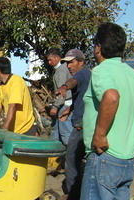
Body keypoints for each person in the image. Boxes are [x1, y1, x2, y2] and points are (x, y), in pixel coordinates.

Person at [81, 22, 134, 200]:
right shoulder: (130, 73)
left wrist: (100, 134)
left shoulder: (101, 71)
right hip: (127, 162)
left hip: (104, 156)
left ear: (98, 47)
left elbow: (111, 96)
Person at [56, 49, 91, 200]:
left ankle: (74, 194)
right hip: (84, 122)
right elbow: (84, 98)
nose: (69, 66)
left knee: (71, 159)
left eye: (72, 62)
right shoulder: (88, 75)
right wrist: (69, 109)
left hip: (82, 126)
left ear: (81, 62)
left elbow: (72, 82)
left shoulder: (82, 74)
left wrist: (64, 87)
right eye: (67, 63)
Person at [0, 57, 36, 135]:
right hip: (13, 130)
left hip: (25, 129)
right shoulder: (2, 86)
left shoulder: (16, 82)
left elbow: (13, 106)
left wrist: (5, 126)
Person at [46, 48, 73, 145]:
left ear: (57, 58)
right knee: (56, 133)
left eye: (50, 60)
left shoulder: (61, 71)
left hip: (64, 105)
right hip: (66, 104)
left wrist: (55, 107)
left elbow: (61, 92)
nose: (49, 62)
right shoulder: (64, 68)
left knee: (65, 133)